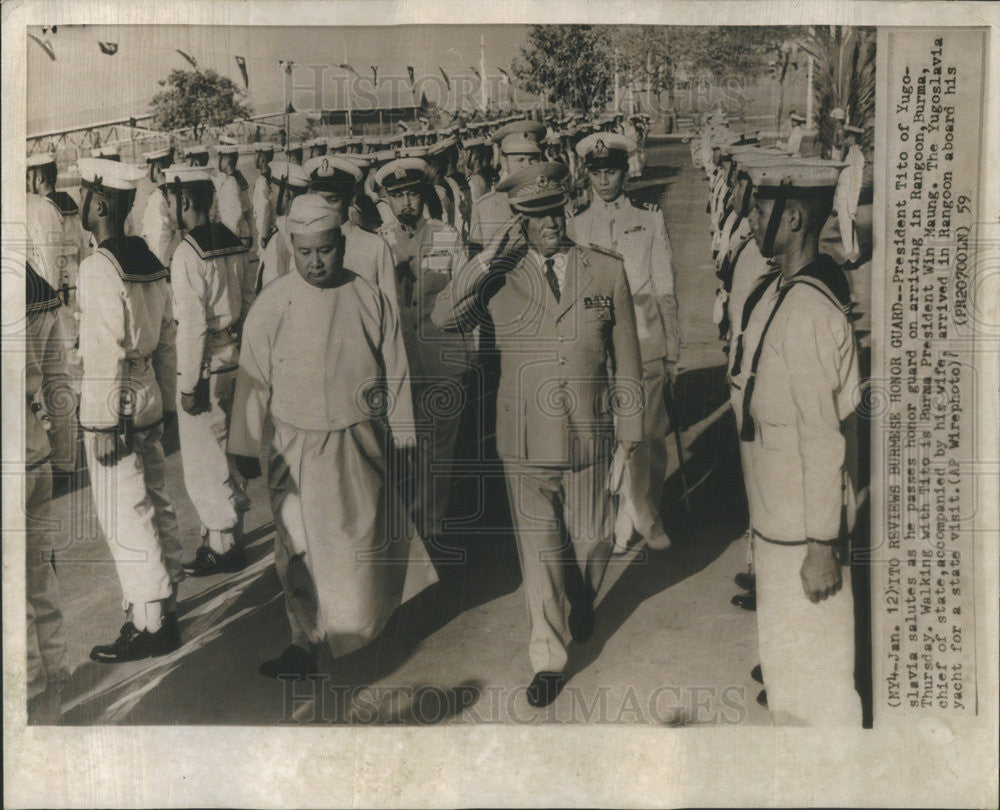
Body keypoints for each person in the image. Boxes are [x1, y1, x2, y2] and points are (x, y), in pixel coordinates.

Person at [432, 162, 644, 708]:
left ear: (566, 207)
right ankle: (548, 657)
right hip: (524, 438)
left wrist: (631, 431)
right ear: (517, 222)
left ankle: (582, 589)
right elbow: (442, 318)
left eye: (553, 210)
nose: (548, 223)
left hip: (590, 434)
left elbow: (627, 362)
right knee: (539, 554)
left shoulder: (605, 270)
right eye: (533, 215)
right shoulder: (500, 275)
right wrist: (483, 259)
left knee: (594, 538)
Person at [228, 194, 437, 678]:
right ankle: (305, 640)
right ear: (291, 249)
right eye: (304, 253)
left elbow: (397, 372)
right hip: (293, 448)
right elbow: (252, 377)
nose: (315, 262)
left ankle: (367, 626)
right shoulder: (272, 304)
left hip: (356, 444)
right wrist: (241, 447)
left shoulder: (369, 298)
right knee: (296, 545)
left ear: (340, 244)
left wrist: (403, 438)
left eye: (324, 250)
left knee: (359, 542)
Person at [740, 158, 862, 725]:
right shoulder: (777, 293)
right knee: (789, 678)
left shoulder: (808, 310)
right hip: (776, 520)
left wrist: (820, 545)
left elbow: (822, 436)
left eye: (761, 208)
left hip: (801, 533)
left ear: (791, 217)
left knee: (819, 690)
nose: (751, 217)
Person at [75, 158, 184, 663]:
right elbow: (165, 339)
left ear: (98, 202)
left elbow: (103, 351)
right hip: (147, 397)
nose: (81, 204)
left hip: (115, 401)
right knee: (155, 499)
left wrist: (100, 421)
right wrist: (165, 398)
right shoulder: (146, 258)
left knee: (126, 515)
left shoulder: (99, 267)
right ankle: (165, 598)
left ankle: (150, 620)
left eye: (84, 196)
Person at [568, 133, 680, 552]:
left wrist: (672, 348)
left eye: (611, 170)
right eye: (596, 172)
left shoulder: (649, 217)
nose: (604, 179)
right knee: (603, 436)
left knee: (648, 434)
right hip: (597, 347)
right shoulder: (575, 224)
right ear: (587, 174)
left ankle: (647, 513)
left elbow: (665, 285)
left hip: (646, 339)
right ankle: (616, 516)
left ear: (624, 171)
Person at [376, 157, 470, 554]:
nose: (406, 203)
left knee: (439, 445)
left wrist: (472, 352)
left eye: (412, 193)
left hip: (442, 357)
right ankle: (411, 515)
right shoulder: (378, 242)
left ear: (423, 194)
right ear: (387, 201)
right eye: (397, 196)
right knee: (405, 444)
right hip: (398, 362)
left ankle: (430, 521)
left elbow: (467, 296)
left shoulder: (447, 237)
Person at [164, 164, 254, 577]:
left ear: (184, 200)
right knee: (231, 452)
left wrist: (188, 382)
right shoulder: (233, 241)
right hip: (236, 355)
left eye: (170, 199)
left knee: (205, 460)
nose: (168, 206)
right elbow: (251, 298)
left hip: (206, 364)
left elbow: (192, 326)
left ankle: (223, 543)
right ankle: (226, 534)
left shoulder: (186, 252)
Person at [24, 262, 73, 722]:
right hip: (35, 454)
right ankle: (54, 680)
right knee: (40, 578)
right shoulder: (34, 281)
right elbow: (59, 381)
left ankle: (30, 695)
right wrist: (63, 454)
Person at [260, 154, 399, 306]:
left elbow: (391, 307)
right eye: (319, 200)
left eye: (333, 200)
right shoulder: (299, 244)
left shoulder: (374, 246)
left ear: (350, 198)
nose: (325, 208)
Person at [466, 120, 545, 256]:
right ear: (504, 162)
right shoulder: (483, 208)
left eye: (533, 159)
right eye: (520, 160)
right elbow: (476, 263)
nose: (527, 166)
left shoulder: (549, 201)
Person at [255, 160, 310, 291]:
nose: (269, 197)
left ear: (285, 196)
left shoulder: (286, 236)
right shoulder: (284, 229)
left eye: (272, 192)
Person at [140, 146, 180, 267]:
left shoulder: (157, 198)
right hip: (175, 258)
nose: (147, 171)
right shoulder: (174, 192)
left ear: (157, 168)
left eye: (149, 166)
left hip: (163, 264)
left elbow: (158, 239)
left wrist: (158, 269)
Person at [214, 144, 252, 249]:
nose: (218, 162)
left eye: (221, 159)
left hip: (234, 238)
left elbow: (232, 217)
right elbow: (247, 209)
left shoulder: (230, 184)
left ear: (227, 161)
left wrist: (228, 242)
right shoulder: (238, 178)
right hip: (242, 235)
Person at [252, 142, 276, 250]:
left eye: (255, 155)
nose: (254, 159)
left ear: (262, 159)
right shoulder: (274, 178)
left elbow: (264, 211)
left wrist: (264, 237)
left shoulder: (261, 182)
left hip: (265, 234)